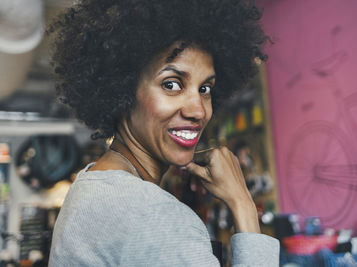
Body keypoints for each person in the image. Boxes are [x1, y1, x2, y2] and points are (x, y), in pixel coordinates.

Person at [48, 0, 279, 266]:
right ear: (122, 94)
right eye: (171, 84)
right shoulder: (154, 216)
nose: (199, 111)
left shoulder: (93, 186)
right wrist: (244, 205)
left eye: (205, 89)